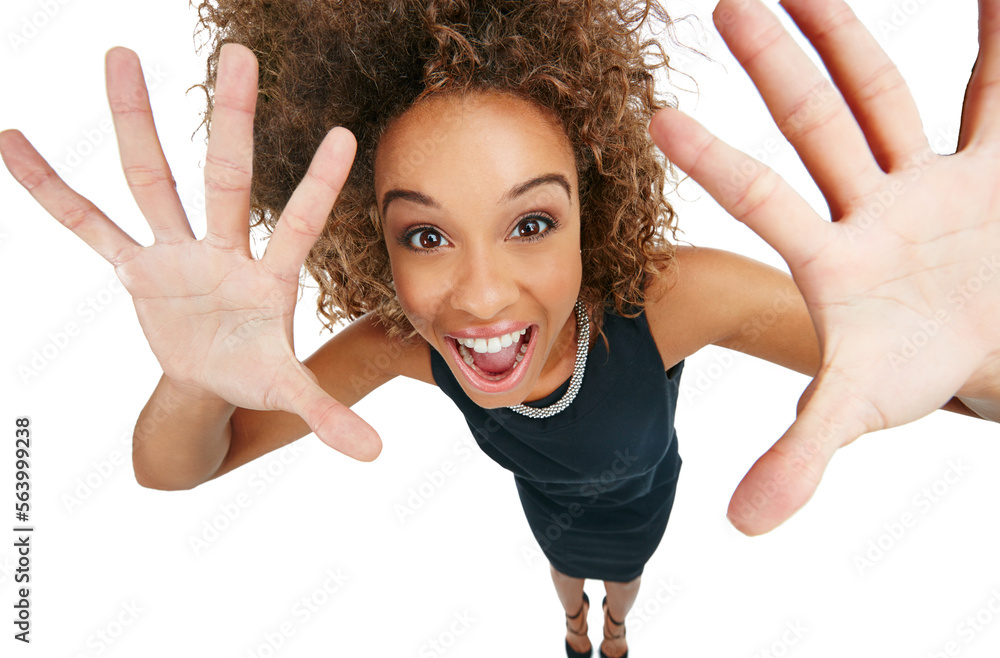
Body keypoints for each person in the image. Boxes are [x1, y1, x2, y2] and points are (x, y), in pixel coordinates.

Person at [2, 0, 998, 656]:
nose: (478, 296)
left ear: (591, 215)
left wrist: (977, 342)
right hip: (549, 503)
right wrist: (194, 379)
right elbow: (178, 469)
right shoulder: (399, 345)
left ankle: (615, 632)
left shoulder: (675, 298)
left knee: (628, 575)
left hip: (645, 492)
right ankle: (575, 625)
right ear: (372, 241)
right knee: (565, 565)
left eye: (531, 222)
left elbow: (943, 378)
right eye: (425, 232)